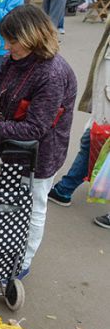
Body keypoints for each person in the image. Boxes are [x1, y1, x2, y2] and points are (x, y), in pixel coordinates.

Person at [0, 4, 77, 279]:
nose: (7, 46)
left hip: (42, 153)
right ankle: (2, 250)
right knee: (11, 198)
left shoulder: (52, 74)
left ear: (32, 37)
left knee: (34, 205)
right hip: (12, 148)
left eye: (11, 41)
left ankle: (22, 262)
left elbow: (35, 128)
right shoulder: (13, 61)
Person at [48, 19, 110, 228]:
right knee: (90, 141)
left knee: (92, 141)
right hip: (104, 101)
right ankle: (65, 189)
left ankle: (65, 188)